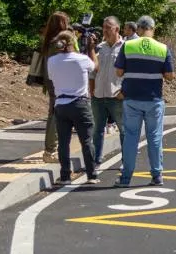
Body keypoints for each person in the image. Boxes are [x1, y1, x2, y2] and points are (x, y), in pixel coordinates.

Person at [115, 15, 175, 187]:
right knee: (154, 138)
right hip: (153, 99)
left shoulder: (128, 45)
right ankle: (157, 176)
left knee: (131, 138)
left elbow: (119, 72)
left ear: (139, 29)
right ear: (152, 29)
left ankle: (126, 177)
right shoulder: (162, 48)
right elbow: (170, 76)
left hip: (132, 99)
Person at [45, 30, 98, 184]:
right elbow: (95, 66)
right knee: (86, 140)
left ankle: (65, 176)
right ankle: (91, 175)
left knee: (63, 142)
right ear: (73, 43)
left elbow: (51, 77)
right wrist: (91, 48)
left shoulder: (52, 61)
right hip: (80, 104)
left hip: (61, 104)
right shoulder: (82, 59)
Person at [32, 11, 70, 162]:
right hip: (58, 82)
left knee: (53, 113)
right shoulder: (59, 42)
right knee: (55, 114)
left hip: (50, 80)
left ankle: (51, 148)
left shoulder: (48, 40)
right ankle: (50, 150)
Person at [90, 16, 124, 164]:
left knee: (124, 130)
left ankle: (126, 160)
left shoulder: (126, 48)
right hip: (98, 96)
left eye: (108, 27)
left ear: (117, 29)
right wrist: (92, 90)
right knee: (97, 130)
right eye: (103, 27)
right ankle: (96, 159)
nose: (105, 30)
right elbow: (92, 71)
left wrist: (124, 92)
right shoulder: (99, 48)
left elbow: (129, 73)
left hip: (117, 97)